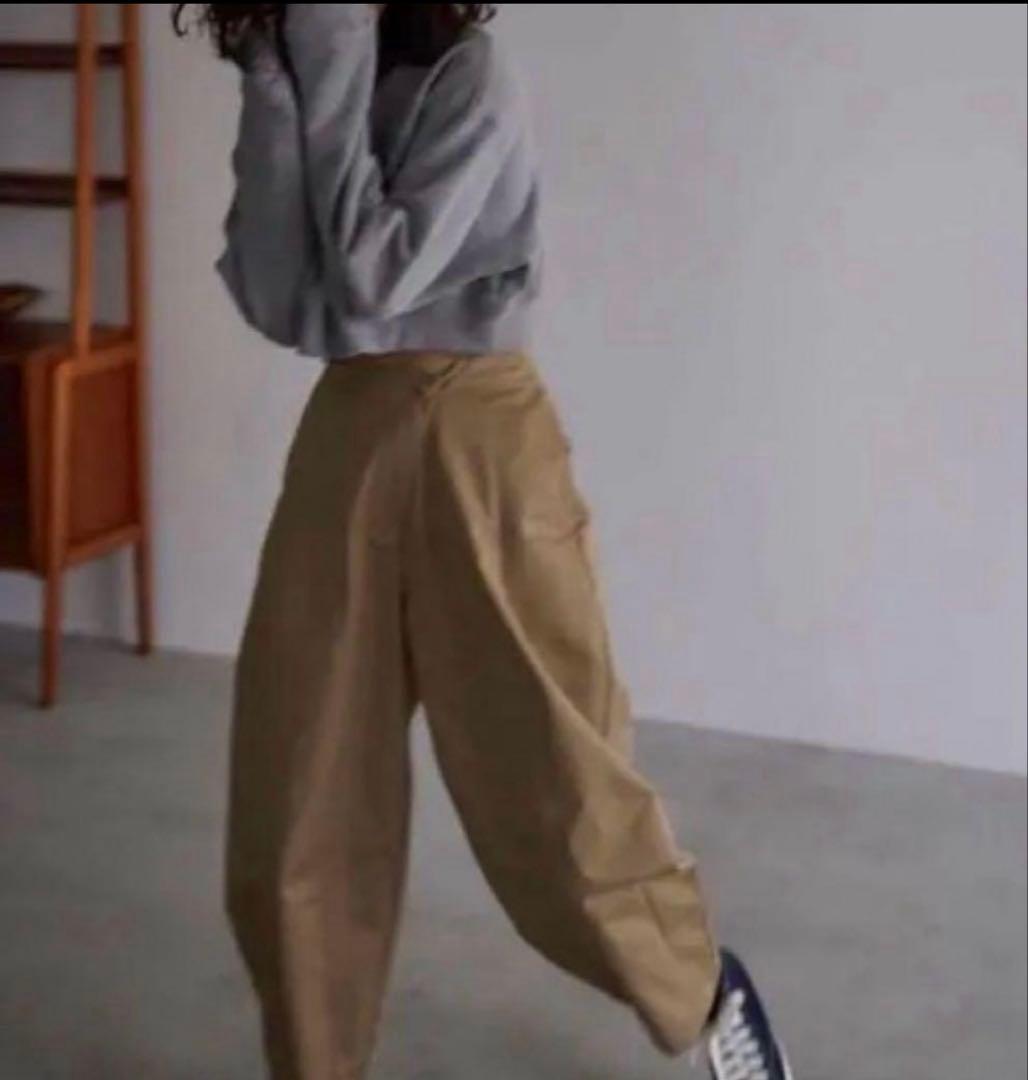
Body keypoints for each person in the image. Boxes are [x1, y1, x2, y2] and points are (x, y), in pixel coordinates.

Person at [174, 5, 794, 1079]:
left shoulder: (471, 77)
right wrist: (275, 75)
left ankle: (701, 988)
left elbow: (371, 278)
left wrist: (327, 43)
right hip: (350, 431)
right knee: (295, 800)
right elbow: (275, 294)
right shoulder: (313, 69)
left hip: (482, 432)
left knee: (558, 784)